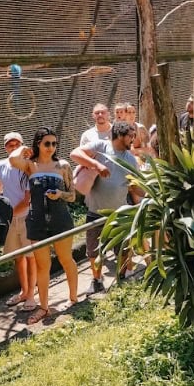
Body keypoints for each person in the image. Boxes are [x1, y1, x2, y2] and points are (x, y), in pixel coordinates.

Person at [8, 129, 79, 324]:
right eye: (47, 143)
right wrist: (24, 148)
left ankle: (73, 299)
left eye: (54, 144)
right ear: (38, 144)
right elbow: (13, 160)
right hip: (37, 221)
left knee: (66, 259)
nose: (51, 148)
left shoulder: (62, 165)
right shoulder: (31, 165)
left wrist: (60, 195)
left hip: (60, 220)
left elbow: (72, 196)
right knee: (42, 265)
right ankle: (44, 307)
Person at [71, 121, 142, 294]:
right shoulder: (100, 146)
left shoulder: (130, 158)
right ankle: (96, 281)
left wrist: (149, 190)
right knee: (94, 251)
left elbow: (137, 186)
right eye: (130, 136)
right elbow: (75, 153)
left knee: (123, 249)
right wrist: (95, 164)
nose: (133, 140)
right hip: (96, 212)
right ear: (120, 135)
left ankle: (122, 279)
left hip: (120, 213)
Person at [0, 132, 37, 310]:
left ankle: (32, 296)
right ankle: (24, 292)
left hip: (27, 217)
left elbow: (27, 199)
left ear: (22, 146)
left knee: (31, 257)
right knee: (18, 258)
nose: (13, 147)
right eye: (10, 145)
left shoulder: (28, 167)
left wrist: (6, 213)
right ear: (5, 148)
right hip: (11, 220)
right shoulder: (0, 166)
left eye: (16, 144)